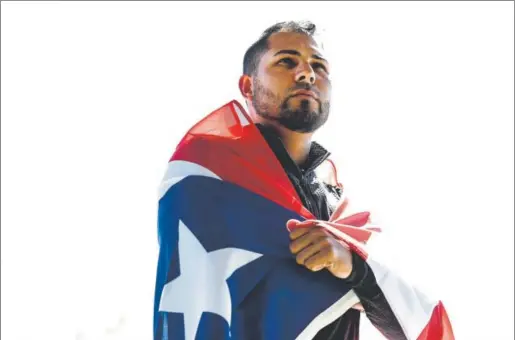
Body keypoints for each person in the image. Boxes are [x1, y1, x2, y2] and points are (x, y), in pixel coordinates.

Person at [237, 21, 405, 339]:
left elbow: (406, 324)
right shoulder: (213, 179)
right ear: (248, 86)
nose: (307, 74)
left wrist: (351, 266)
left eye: (318, 66)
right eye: (286, 61)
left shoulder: (339, 206)